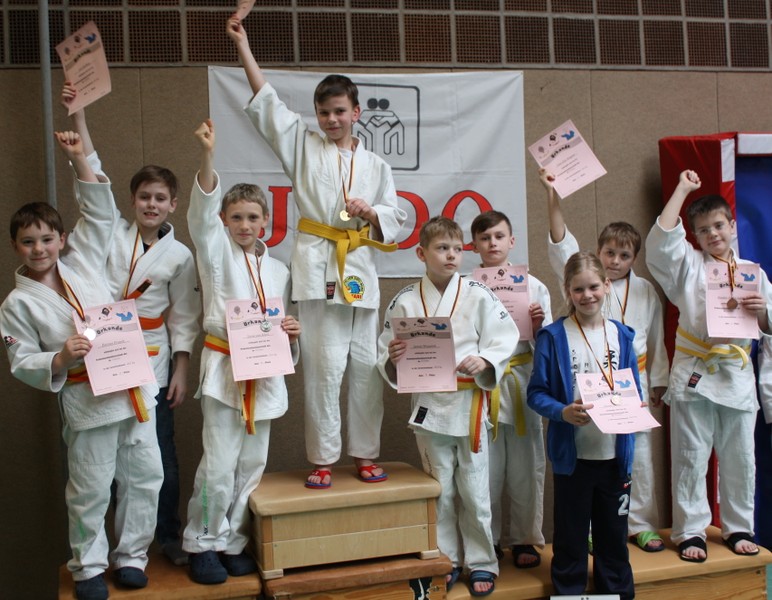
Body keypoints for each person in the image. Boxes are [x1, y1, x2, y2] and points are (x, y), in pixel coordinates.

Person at [227, 15, 407, 488]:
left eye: (339, 111)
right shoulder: (302, 147)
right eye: (324, 112)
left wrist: (370, 211)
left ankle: (366, 454)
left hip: (360, 269)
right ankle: (323, 458)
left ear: (357, 111)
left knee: (365, 367)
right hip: (316, 265)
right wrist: (244, 45)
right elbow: (266, 103)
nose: (331, 119)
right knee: (324, 368)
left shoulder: (376, 164)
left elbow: (397, 217)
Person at [0, 132, 163, 600]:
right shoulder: (16, 305)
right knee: (90, 486)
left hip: (131, 387)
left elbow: (100, 212)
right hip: (86, 398)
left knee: (146, 476)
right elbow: (22, 358)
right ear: (15, 247)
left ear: (61, 239)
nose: (39, 249)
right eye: (28, 242)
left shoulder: (84, 261)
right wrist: (58, 356)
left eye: (46, 239)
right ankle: (88, 567)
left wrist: (78, 158)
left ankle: (132, 556)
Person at [61, 83, 201, 566]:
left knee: (157, 452)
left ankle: (165, 536)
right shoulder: (109, 233)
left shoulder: (179, 255)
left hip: (151, 357)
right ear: (131, 200)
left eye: (161, 198)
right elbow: (92, 175)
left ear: (174, 204)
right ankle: (118, 549)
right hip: (101, 350)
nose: (151, 205)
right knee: (108, 453)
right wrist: (78, 117)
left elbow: (184, 317)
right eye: (144, 197)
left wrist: (182, 370)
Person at [182, 119, 300, 584]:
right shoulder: (215, 253)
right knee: (218, 462)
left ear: (267, 222)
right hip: (224, 367)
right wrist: (208, 157)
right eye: (236, 218)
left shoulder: (278, 270)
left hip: (266, 371)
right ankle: (202, 541)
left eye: (254, 217)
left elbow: (280, 325)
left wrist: (291, 331)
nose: (245, 225)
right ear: (223, 222)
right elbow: (200, 212)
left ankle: (232, 540)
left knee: (252, 464)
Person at [377, 216, 519, 597]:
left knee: (475, 490)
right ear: (421, 253)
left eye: (457, 249)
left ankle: (482, 561)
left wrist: (487, 360)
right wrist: (392, 356)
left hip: (470, 403)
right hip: (429, 406)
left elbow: (506, 335)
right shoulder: (405, 300)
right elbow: (385, 350)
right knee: (439, 490)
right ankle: (446, 559)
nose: (452, 255)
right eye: (442, 248)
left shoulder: (477, 292)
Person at [541, 168, 669, 553]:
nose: (615, 260)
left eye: (624, 254)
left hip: (634, 379)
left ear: (634, 258)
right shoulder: (589, 282)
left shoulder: (646, 292)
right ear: (598, 253)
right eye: (608, 252)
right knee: (593, 455)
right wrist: (553, 197)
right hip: (589, 381)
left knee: (637, 456)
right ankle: (596, 529)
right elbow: (563, 244)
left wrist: (658, 380)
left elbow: (657, 337)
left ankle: (641, 524)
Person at [645, 169, 770, 562]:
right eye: (703, 229)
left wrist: (763, 312)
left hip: (735, 373)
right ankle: (690, 531)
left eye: (719, 225)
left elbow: (768, 329)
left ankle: (738, 526)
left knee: (740, 456)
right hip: (695, 368)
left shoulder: (753, 273)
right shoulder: (688, 264)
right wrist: (683, 188)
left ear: (733, 226)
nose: (713, 234)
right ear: (695, 236)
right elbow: (660, 243)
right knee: (690, 454)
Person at [527, 251, 637, 600]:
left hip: (615, 454)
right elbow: (536, 394)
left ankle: (618, 592)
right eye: (578, 290)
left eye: (593, 287)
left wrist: (636, 407)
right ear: (567, 291)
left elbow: (632, 384)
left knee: (614, 537)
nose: (587, 295)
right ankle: (570, 593)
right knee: (571, 538)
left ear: (606, 285)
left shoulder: (622, 335)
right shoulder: (553, 337)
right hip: (572, 458)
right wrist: (562, 411)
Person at [469, 210, 551, 568]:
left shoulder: (534, 286)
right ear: (474, 245)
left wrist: (538, 325)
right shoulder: (466, 288)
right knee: (484, 470)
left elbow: (548, 344)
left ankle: (524, 540)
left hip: (521, 381)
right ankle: (486, 543)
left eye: (499, 237)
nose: (492, 244)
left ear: (512, 241)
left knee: (525, 467)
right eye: (485, 238)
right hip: (483, 384)